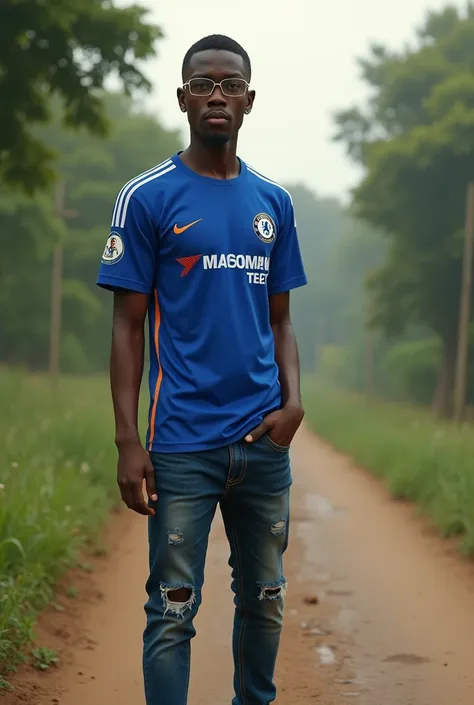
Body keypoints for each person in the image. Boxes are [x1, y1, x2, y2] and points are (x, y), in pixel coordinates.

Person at [97, 33, 307, 705]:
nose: (217, 94)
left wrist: (293, 404)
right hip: (182, 442)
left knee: (266, 599)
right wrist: (129, 441)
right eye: (204, 84)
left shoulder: (272, 203)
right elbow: (127, 326)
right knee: (172, 608)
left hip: (263, 446)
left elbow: (280, 320)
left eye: (230, 84)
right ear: (183, 97)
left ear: (250, 100)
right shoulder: (147, 198)